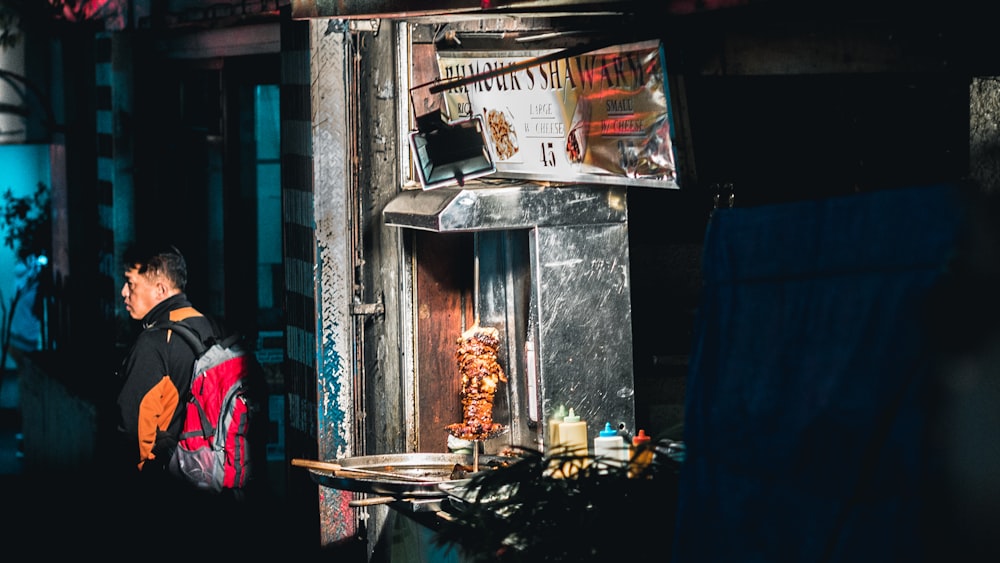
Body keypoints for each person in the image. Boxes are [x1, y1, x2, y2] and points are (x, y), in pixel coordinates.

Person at [114, 243, 217, 487]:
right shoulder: (209, 327)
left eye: (131, 283)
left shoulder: (154, 342)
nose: (123, 293)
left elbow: (133, 430)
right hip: (216, 474)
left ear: (160, 289)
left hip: (172, 483)